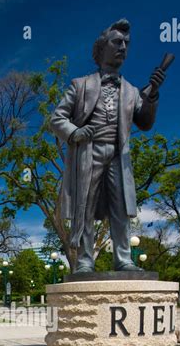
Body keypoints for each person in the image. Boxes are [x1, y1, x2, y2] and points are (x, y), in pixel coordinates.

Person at [51, 19, 166, 273]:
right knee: (85, 207)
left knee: (121, 209)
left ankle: (123, 258)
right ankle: (84, 260)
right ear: (102, 48)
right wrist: (77, 133)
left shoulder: (132, 91)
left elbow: (144, 122)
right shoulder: (80, 85)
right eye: (117, 42)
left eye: (126, 43)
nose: (123, 47)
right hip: (88, 153)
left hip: (118, 156)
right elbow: (57, 118)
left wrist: (153, 94)